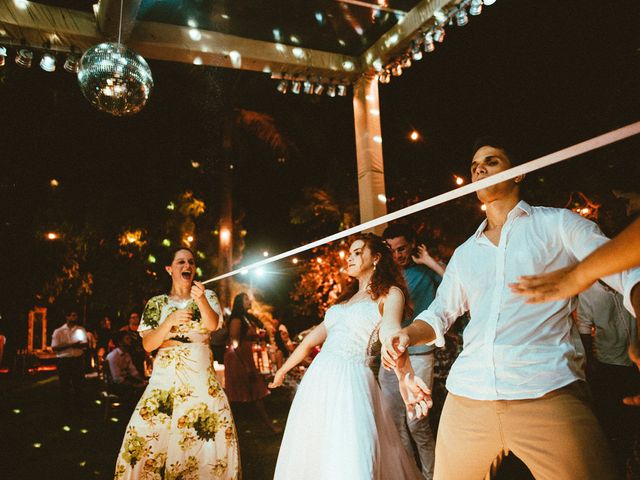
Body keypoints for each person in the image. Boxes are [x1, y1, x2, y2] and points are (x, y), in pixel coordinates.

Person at [383, 138, 640, 480]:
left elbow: (626, 270)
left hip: (547, 389)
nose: (479, 168)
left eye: (492, 161)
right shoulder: (465, 253)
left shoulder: (559, 225)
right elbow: (439, 315)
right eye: (475, 165)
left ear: (518, 174)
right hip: (468, 396)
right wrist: (406, 334)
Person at [269, 234, 422, 479]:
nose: (350, 257)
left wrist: (398, 354)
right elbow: (309, 341)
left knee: (353, 455)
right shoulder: (345, 300)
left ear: (376, 258)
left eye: (358, 252)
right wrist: (283, 369)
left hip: (352, 380)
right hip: (318, 380)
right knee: (315, 451)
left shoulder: (390, 293)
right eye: (349, 253)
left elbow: (391, 328)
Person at [113, 247, 239, 480]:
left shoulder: (207, 296)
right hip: (165, 380)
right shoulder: (157, 303)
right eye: (180, 262)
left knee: (204, 440)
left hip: (201, 381)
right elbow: (148, 344)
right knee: (146, 434)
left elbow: (212, 326)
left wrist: (200, 298)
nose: (187, 266)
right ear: (169, 269)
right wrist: (169, 322)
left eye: (190, 261)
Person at [380, 223, 443, 479]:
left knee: (417, 423)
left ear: (412, 245)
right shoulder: (387, 279)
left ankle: (433, 475)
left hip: (420, 355)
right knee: (396, 426)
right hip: (393, 357)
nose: (398, 255)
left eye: (402, 248)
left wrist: (429, 260)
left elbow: (457, 285)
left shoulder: (425, 273)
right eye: (392, 250)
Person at [575, 282, 640, 472]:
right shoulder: (587, 291)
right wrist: (589, 365)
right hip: (610, 362)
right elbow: (584, 327)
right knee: (618, 415)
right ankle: (622, 459)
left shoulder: (630, 280)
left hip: (636, 361)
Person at [223, 292, 280, 433]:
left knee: (254, 391)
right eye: (246, 299)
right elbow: (235, 343)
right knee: (249, 391)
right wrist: (246, 365)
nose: (250, 301)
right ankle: (266, 426)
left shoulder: (246, 318)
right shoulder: (236, 319)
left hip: (245, 357)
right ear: (239, 302)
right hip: (238, 359)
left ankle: (259, 425)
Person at [51, 309, 89, 408]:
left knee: (78, 385)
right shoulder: (59, 331)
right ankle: (65, 407)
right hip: (64, 361)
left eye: (76, 316)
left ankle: (79, 407)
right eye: (72, 315)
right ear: (67, 317)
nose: (74, 318)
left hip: (77, 359)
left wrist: (74, 346)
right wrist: (72, 345)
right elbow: (54, 347)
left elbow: (85, 344)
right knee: (64, 385)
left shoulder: (80, 329)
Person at [106, 330, 147, 404]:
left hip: (125, 382)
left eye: (130, 339)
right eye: (127, 339)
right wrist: (135, 385)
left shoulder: (126, 354)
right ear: (120, 342)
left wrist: (143, 381)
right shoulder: (113, 356)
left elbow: (133, 372)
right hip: (115, 386)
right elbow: (117, 379)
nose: (130, 341)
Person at [119, 311, 147, 376]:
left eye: (137, 317)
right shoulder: (124, 330)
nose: (135, 319)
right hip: (130, 355)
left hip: (142, 355)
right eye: (133, 317)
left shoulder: (143, 329)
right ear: (129, 319)